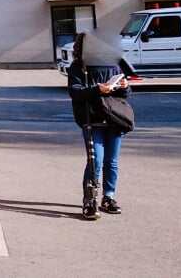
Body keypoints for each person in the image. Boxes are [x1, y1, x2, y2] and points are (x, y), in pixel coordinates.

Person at [67, 30, 131, 220]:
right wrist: (97, 89)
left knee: (111, 162)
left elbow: (126, 92)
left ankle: (108, 197)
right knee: (95, 161)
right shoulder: (79, 66)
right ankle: (89, 201)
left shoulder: (113, 64)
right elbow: (75, 92)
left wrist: (125, 87)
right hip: (91, 120)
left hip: (114, 118)